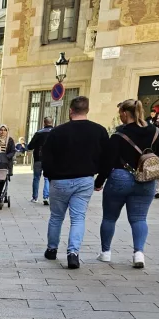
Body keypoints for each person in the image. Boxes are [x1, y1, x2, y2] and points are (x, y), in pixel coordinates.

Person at [40, 96, 109, 269]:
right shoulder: (99, 131)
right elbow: (106, 159)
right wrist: (99, 180)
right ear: (87, 110)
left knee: (56, 217)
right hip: (84, 179)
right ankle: (73, 253)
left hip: (60, 180)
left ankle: (52, 249)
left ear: (71, 110)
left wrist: (50, 176)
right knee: (78, 218)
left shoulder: (57, 132)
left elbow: (46, 156)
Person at [96, 99, 159, 269]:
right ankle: (138, 253)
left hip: (120, 176)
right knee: (139, 218)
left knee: (110, 217)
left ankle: (105, 253)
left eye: (120, 113)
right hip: (146, 179)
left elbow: (108, 161)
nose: (119, 116)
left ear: (125, 113)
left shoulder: (119, 135)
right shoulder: (157, 133)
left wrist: (99, 182)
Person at [28, 117, 54, 204]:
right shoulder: (56, 132)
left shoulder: (39, 133)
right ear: (52, 122)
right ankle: (46, 197)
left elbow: (30, 146)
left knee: (36, 178)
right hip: (50, 160)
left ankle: (35, 197)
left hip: (38, 158)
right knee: (47, 178)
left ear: (44, 123)